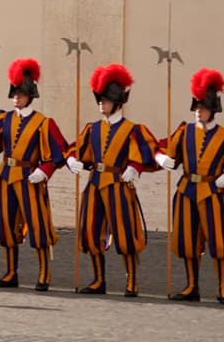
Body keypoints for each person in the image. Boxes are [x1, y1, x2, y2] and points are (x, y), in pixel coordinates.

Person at [64, 63, 159, 296]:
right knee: (91, 231)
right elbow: (77, 151)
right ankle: (98, 280)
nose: (101, 103)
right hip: (95, 183)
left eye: (105, 99)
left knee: (126, 234)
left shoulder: (133, 129)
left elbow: (147, 152)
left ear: (117, 102)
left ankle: (132, 281)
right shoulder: (91, 128)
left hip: (118, 184)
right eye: (99, 98)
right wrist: (72, 161)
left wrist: (135, 167)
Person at [0, 57, 68, 291]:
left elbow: (58, 153)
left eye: (20, 93)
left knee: (38, 225)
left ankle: (44, 273)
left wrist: (44, 172)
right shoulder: (4, 118)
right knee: (5, 224)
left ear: (30, 95)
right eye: (14, 93)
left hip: (30, 176)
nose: (16, 97)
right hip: (6, 175)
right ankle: (10, 272)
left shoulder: (43, 123)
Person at [156, 68, 224, 303]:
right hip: (186, 191)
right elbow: (168, 153)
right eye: (197, 108)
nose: (199, 111)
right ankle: (191, 286)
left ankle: (223, 288)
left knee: (221, 242)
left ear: (213, 110)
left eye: (203, 108)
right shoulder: (184, 132)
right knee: (187, 242)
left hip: (213, 192)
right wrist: (162, 158)